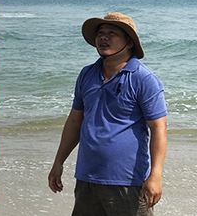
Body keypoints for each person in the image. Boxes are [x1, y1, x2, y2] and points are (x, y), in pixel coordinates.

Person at [48, 12, 168, 216]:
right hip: (87, 177)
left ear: (129, 42)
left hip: (128, 181)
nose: (104, 37)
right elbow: (75, 121)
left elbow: (158, 128)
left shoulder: (143, 79)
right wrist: (58, 162)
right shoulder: (87, 74)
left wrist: (155, 175)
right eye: (101, 33)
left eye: (112, 33)